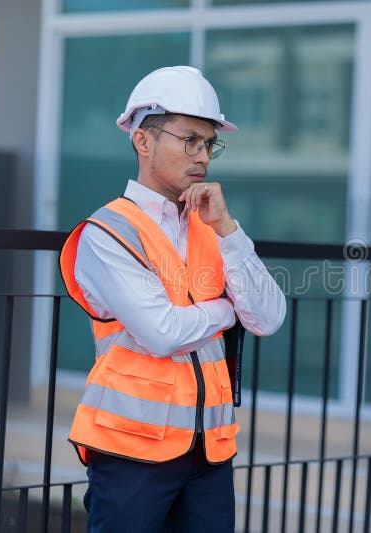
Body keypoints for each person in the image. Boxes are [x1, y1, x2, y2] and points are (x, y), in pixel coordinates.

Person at [58, 65, 286, 532]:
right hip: (131, 452)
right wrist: (227, 309)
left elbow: (269, 316)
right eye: (190, 140)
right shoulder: (109, 232)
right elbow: (162, 333)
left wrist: (228, 230)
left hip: (208, 451)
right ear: (143, 141)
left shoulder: (213, 227)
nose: (202, 155)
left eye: (209, 144)